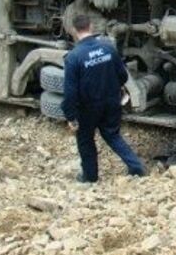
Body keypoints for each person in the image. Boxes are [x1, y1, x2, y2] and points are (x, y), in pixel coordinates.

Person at [61, 14, 146, 183]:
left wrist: (70, 115)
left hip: (87, 107)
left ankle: (90, 177)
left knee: (85, 140)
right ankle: (136, 167)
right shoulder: (108, 48)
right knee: (113, 135)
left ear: (73, 31)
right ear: (91, 27)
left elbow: (70, 92)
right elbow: (122, 75)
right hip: (111, 102)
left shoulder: (73, 57)